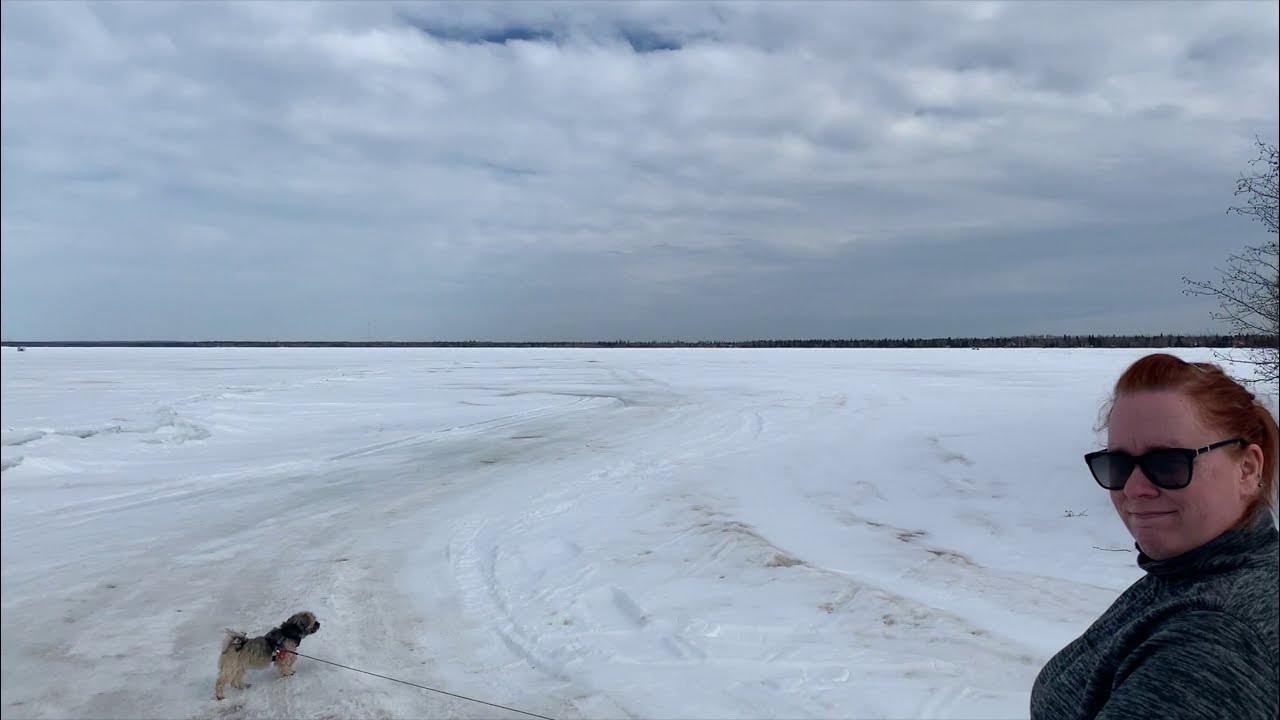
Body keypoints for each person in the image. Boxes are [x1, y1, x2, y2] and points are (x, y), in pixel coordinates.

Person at [1031, 353, 1278, 719]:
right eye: (1117, 464)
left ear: (1246, 468)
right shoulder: (1188, 573)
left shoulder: (1214, 643)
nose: (1134, 488)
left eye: (1167, 462)